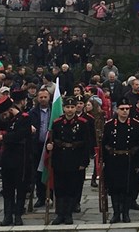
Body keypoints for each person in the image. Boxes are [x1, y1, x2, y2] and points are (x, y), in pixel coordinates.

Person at [46, 95, 90, 225]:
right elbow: (53, 140)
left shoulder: (82, 123)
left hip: (75, 158)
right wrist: (50, 147)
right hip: (60, 159)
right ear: (63, 108)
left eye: (72, 107)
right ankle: (60, 214)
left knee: (72, 187)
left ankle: (68, 213)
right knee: (60, 188)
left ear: (76, 107)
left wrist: (84, 162)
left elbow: (86, 144)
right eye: (67, 107)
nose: (70, 110)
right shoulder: (57, 123)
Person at [102, 97, 139, 223]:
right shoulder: (109, 125)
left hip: (129, 160)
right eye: (122, 109)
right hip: (113, 160)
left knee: (127, 188)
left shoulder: (136, 124)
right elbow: (104, 143)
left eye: (127, 109)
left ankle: (125, 213)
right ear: (117, 110)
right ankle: (116, 213)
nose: (125, 111)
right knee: (114, 188)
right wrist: (103, 161)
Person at [0, 95, 32, 226]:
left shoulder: (24, 118)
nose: (3, 116)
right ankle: (7, 215)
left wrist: (3, 137)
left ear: (10, 110)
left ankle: (18, 214)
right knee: (7, 188)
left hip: (21, 157)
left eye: (4, 113)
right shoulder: (7, 120)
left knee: (20, 187)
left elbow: (20, 135)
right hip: (6, 158)